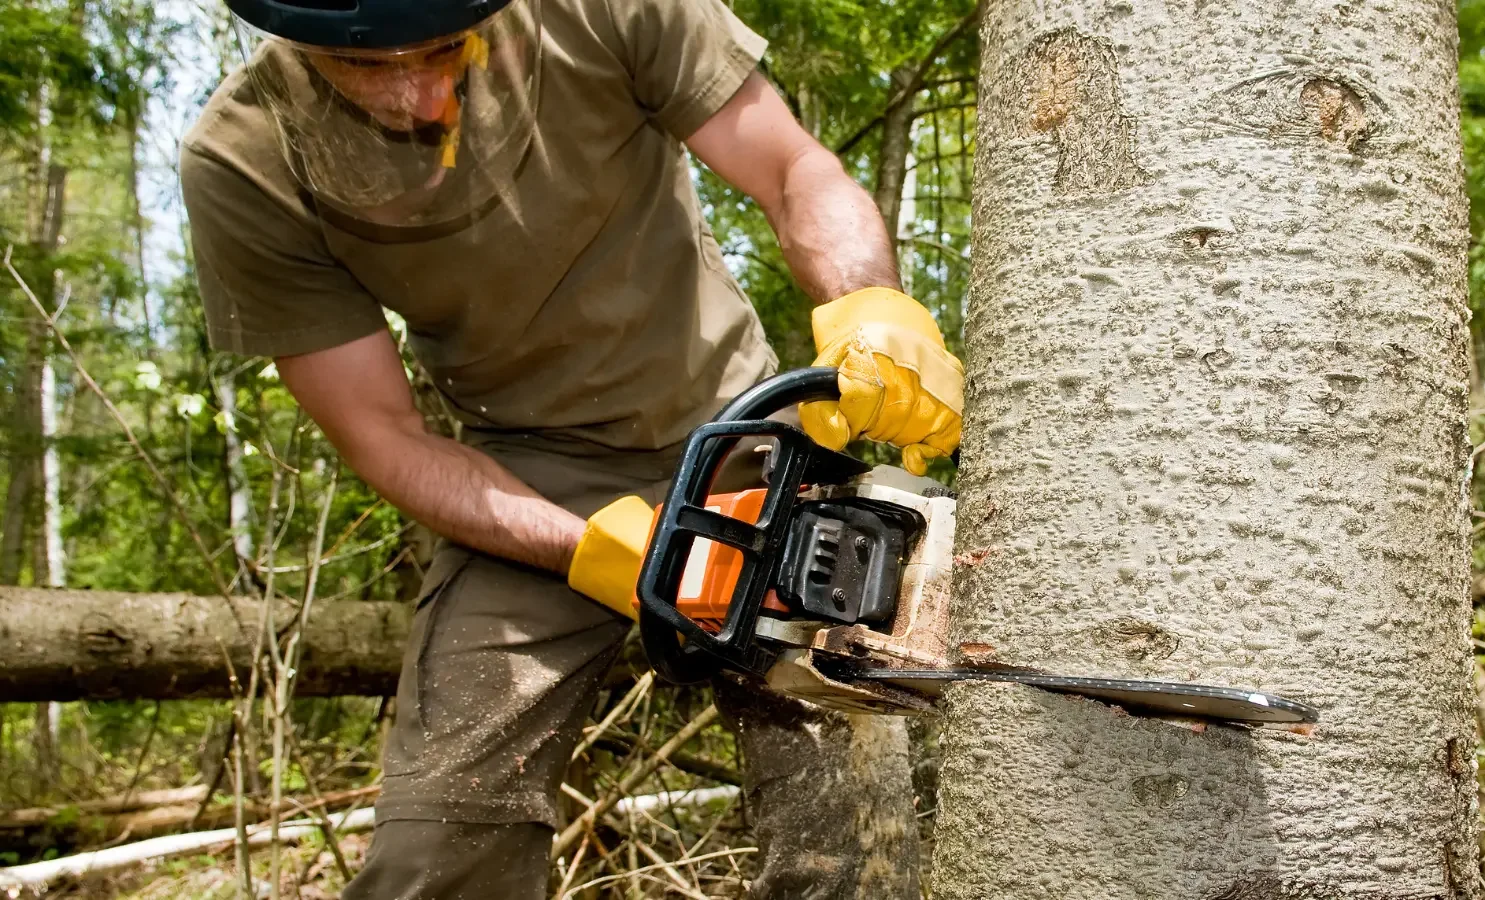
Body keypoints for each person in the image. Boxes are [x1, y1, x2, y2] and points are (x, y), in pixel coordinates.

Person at [179, 0, 962, 895]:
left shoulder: (604, 9)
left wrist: (872, 307)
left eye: (443, 50)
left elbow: (790, 168)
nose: (421, 98)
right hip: (522, 483)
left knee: (856, 825)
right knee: (439, 840)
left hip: (744, 439)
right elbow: (384, 437)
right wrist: (582, 548)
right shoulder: (244, 161)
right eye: (367, 68)